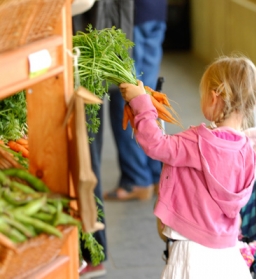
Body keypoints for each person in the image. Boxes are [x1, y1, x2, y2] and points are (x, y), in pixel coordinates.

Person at [119, 55, 256, 278]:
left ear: (214, 97)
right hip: (228, 255)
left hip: (191, 251)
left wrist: (141, 104)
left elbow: (156, 144)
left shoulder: (197, 142)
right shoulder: (248, 151)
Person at [72, 0, 135, 278]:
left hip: (90, 50)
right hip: (96, 45)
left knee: (85, 156)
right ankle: (90, 250)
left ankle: (92, 252)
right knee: (87, 152)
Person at [104, 0, 168, 201]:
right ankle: (157, 176)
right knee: (146, 94)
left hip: (131, 15)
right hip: (156, 11)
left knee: (126, 96)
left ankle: (137, 179)